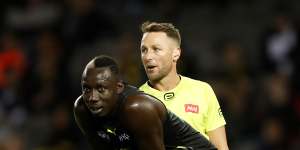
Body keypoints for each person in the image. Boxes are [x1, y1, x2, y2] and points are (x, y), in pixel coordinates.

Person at [73, 55, 216, 150]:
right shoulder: (82, 109)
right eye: (86, 89)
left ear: (118, 87)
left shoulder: (138, 109)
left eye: (101, 88)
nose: (92, 97)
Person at [139, 21, 229, 150]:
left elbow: (221, 147)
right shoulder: (138, 101)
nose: (148, 56)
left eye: (156, 49)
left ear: (176, 53)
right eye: (144, 50)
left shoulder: (202, 91)